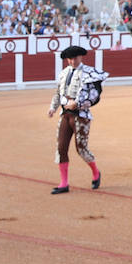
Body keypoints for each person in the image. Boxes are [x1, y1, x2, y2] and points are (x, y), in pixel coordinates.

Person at [47, 45, 106, 194]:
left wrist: (78, 104)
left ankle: (96, 173)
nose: (72, 61)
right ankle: (64, 183)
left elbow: (94, 96)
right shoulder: (63, 73)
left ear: (81, 57)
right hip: (65, 114)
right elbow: (58, 92)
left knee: (81, 149)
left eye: (75, 58)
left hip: (81, 116)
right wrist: (53, 107)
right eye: (70, 59)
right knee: (61, 148)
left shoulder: (89, 73)